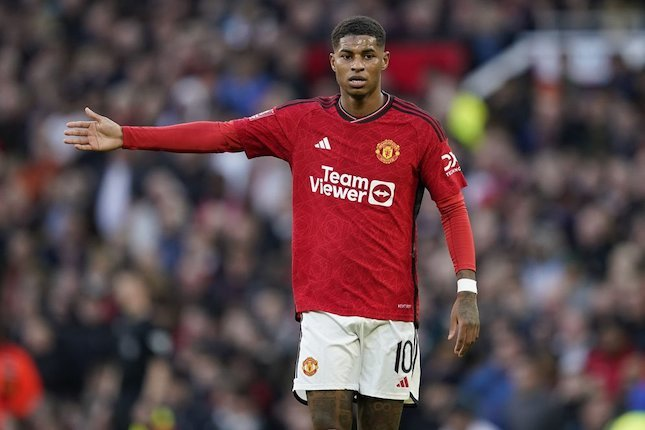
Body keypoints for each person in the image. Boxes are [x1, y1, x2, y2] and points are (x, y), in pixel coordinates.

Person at [64, 15, 480, 430]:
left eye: (368, 55)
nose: (357, 64)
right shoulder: (301, 121)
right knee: (328, 422)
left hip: (392, 309)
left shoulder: (418, 130)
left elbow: (453, 208)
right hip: (325, 308)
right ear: (332, 62)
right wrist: (130, 136)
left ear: (384, 61)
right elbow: (223, 135)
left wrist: (466, 290)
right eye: (348, 55)